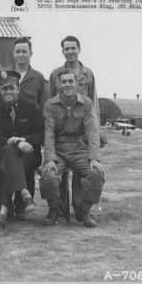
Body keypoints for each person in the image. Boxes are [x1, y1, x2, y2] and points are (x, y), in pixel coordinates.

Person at [49, 35, 107, 215]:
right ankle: (59, 208)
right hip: (62, 129)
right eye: (67, 49)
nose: (70, 52)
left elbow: (93, 103)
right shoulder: (56, 74)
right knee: (59, 172)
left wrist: (97, 131)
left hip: (83, 128)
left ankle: (80, 208)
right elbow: (51, 100)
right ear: (62, 51)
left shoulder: (88, 74)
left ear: (79, 49)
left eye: (73, 48)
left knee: (84, 170)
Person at [40, 70, 105, 228]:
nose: (67, 85)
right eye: (64, 82)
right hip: (58, 151)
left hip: (79, 150)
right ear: (58, 84)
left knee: (96, 174)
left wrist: (94, 158)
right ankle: (54, 209)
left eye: (70, 81)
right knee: (48, 177)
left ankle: (83, 211)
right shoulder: (50, 105)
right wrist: (49, 159)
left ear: (76, 84)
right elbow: (48, 134)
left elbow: (92, 132)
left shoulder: (87, 103)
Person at [0, 70, 43, 236]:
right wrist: (14, 142)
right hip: (4, 151)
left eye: (11, 88)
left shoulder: (31, 107)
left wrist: (22, 139)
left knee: (9, 164)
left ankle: (2, 214)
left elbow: (39, 134)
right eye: (4, 89)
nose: (8, 92)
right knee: (7, 153)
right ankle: (24, 193)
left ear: (18, 89)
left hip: (29, 154)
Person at [4, 36, 49, 218]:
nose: (21, 55)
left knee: (27, 166)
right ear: (13, 54)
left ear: (30, 54)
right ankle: (10, 204)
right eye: (18, 51)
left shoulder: (38, 78)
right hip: (9, 133)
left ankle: (21, 205)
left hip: (30, 133)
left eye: (25, 51)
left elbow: (44, 106)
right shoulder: (5, 75)